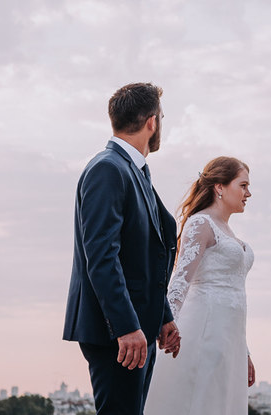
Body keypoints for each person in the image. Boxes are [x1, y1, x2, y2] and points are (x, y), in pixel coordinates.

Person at [62, 83, 182, 415]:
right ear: (152, 122)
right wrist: (125, 326)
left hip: (138, 328)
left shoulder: (132, 170)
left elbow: (143, 257)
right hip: (118, 333)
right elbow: (101, 258)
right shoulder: (108, 169)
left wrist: (163, 316)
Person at [144, 156, 256, 415]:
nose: (248, 193)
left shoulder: (226, 230)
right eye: (243, 185)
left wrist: (245, 351)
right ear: (220, 187)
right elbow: (179, 282)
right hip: (206, 330)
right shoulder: (201, 223)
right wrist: (165, 325)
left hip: (231, 339)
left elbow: (235, 297)